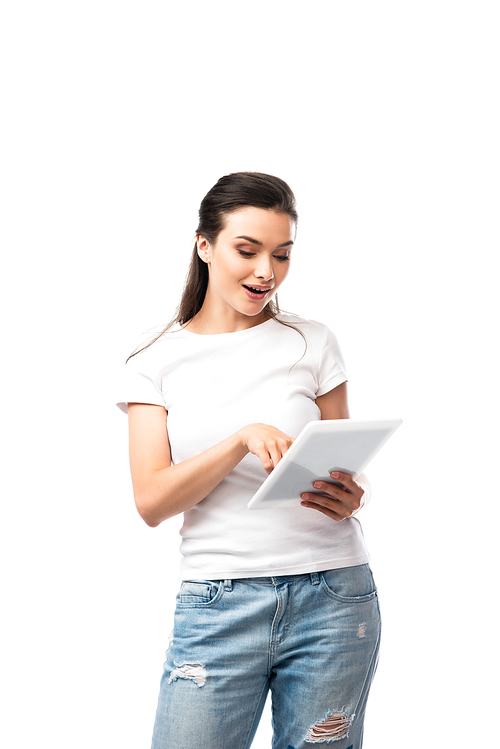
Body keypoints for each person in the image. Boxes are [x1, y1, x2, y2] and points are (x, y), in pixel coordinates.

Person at [117, 172, 381, 749]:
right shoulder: (154, 358)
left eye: (281, 255)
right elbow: (151, 502)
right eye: (248, 250)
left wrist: (352, 494)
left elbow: (343, 462)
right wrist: (239, 440)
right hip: (218, 603)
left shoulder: (313, 341)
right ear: (204, 245)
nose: (267, 271)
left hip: (333, 597)